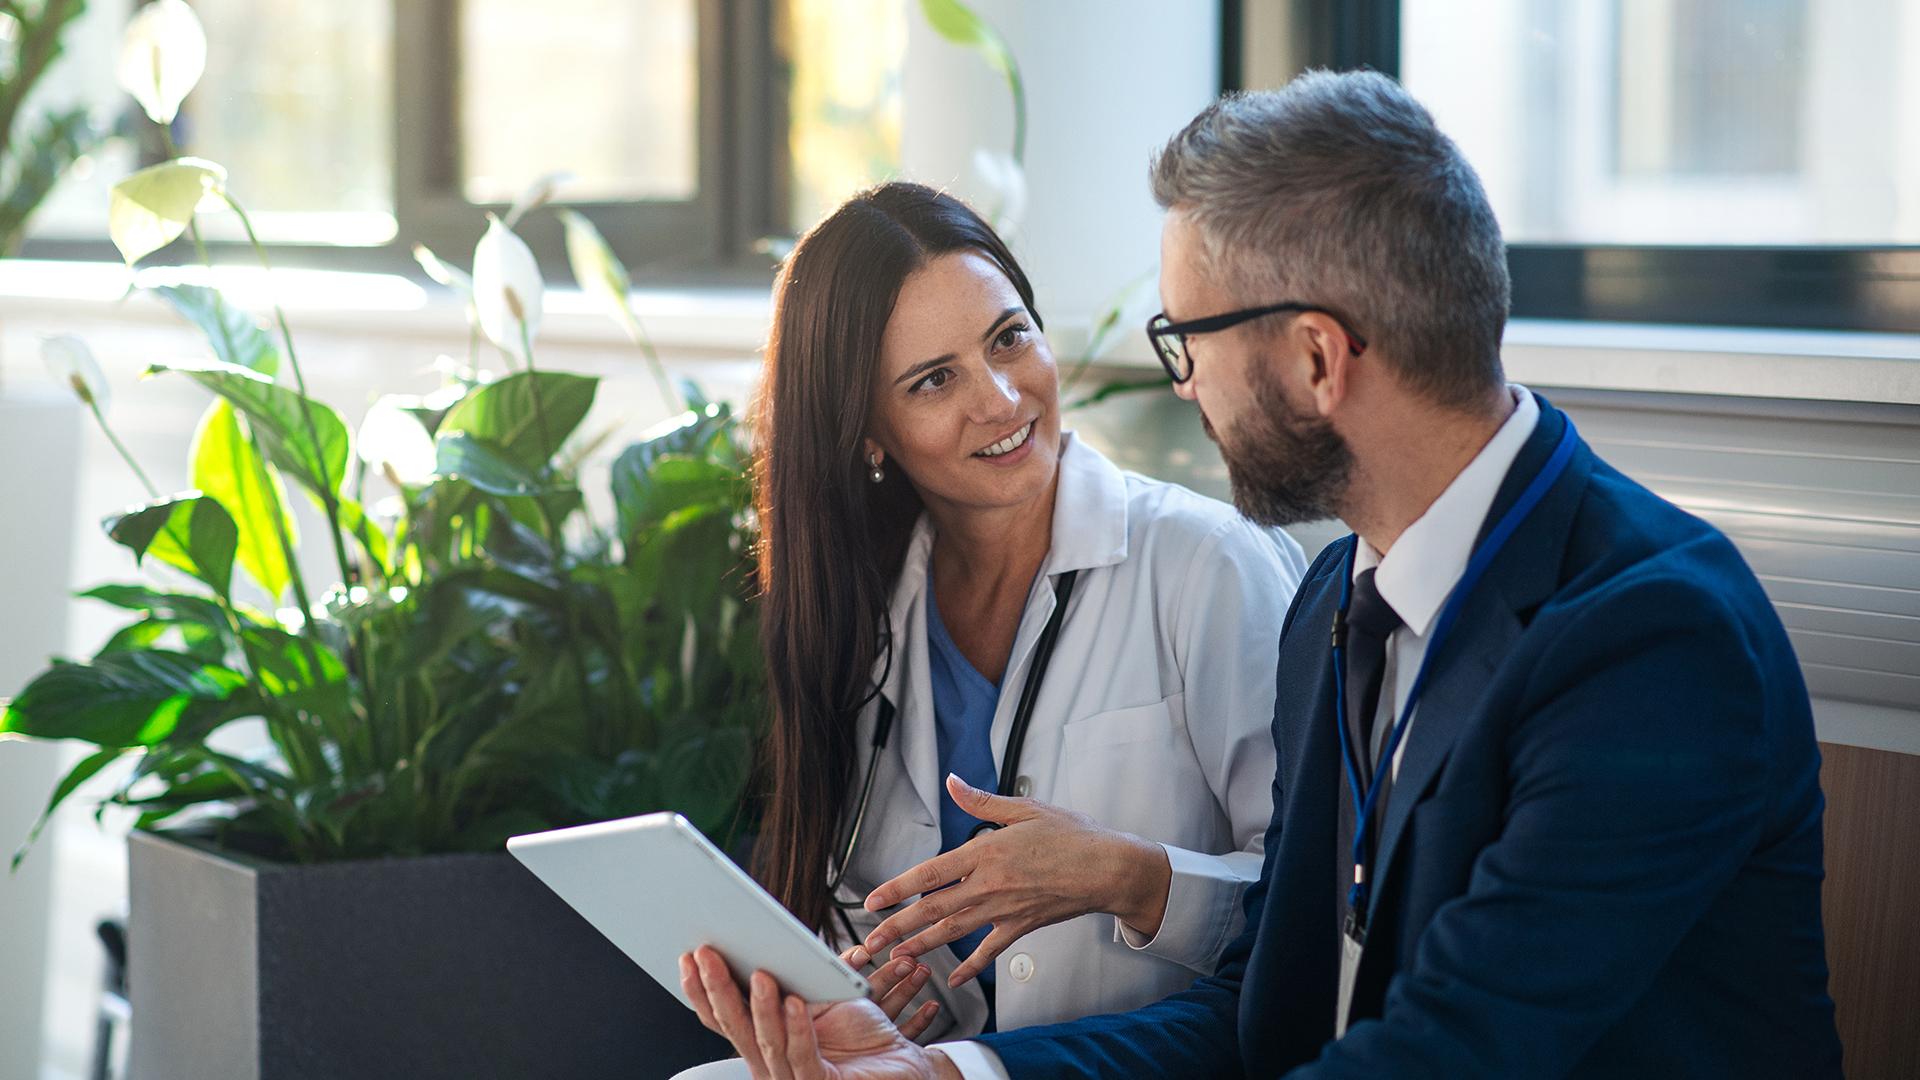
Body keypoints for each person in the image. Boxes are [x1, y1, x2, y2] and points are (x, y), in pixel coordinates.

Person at [684, 71, 1845, 1079]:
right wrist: (960, 1071)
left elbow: (1453, 1056)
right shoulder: (1341, 605)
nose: (1181, 386)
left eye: (1188, 339)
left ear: (1313, 358)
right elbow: (1259, 1012)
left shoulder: (1650, 639)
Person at [677, 181, 1306, 1070]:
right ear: (867, 433)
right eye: (934, 380)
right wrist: (877, 994)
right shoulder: (870, 607)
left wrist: (1128, 876)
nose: (1003, 399)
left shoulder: (1208, 566)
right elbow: (871, 911)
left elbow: (1321, 917)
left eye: (1009, 338)